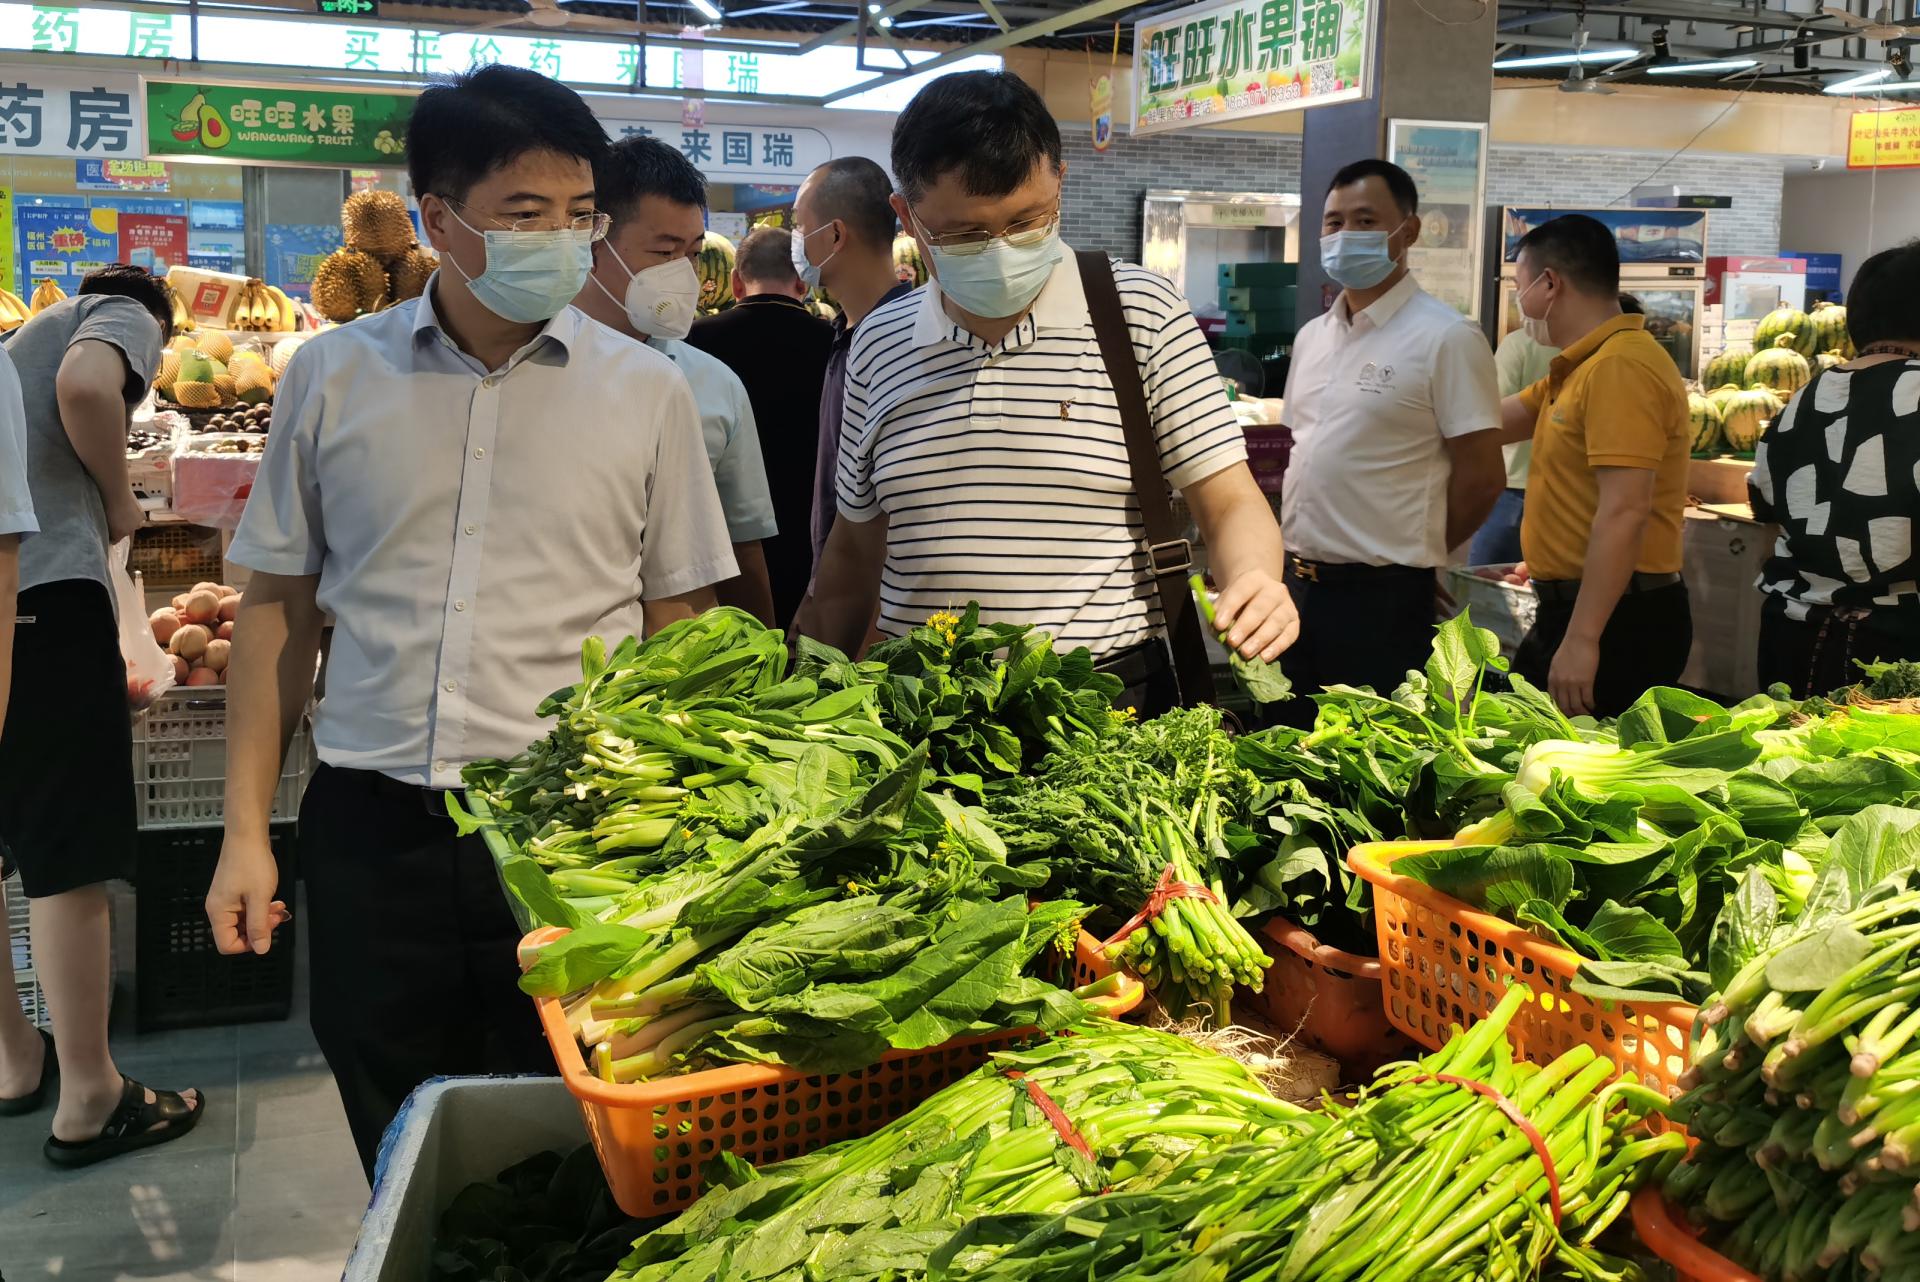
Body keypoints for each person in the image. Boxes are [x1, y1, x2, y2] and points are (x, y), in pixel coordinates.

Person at [204, 66, 737, 1178]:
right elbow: (277, 609)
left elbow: (681, 620)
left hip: (573, 834)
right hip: (371, 828)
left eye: (581, 214)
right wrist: (245, 830)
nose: (563, 239)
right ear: (439, 221)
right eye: (525, 214)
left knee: (576, 1130)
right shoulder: (333, 379)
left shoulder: (648, 394)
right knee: (394, 1117)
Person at [797, 71, 1296, 715]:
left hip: (1106, 709)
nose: (1001, 252)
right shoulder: (878, 344)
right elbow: (854, 551)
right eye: (966, 235)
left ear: (1058, 179)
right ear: (907, 217)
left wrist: (1255, 577)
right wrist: (797, 685)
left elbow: (1229, 503)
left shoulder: (1140, 313)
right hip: (922, 711)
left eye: (1028, 222)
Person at [0, 266, 204, 1165]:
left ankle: (13, 1061)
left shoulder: (14, 348)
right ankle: (90, 1093)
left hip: (19, 603)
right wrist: (120, 499)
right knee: (66, 852)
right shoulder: (118, 311)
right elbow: (89, 385)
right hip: (41, 602)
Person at [1278, 159, 1504, 713]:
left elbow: (1482, 475)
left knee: (1365, 762)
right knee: (1281, 746)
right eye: (1333, 223)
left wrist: (1419, 554)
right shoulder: (1312, 337)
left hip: (1380, 599)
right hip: (1294, 586)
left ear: (1409, 231)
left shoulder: (1447, 338)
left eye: (1364, 220)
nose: (1344, 235)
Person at [573, 137, 777, 625]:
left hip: (675, 669)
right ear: (591, 241)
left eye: (693, 252)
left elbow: (740, 550)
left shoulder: (715, 385)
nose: (683, 273)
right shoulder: (533, 369)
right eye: (664, 251)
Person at [1497, 214, 1692, 716]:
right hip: (1582, 606)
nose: (1520, 302)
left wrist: (1584, 638)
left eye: (1520, 287)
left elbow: (1626, 510)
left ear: (1550, 284)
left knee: (1578, 777)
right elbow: (1491, 423)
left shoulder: (1619, 368)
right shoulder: (1580, 365)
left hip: (1618, 620)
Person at [1751, 240, 1920, 696]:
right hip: (1901, 654)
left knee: (1797, 762)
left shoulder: (1800, 401)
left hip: (1793, 636)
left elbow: (1767, 521)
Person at [687, 224, 834, 627]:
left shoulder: (694, 342)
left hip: (724, 544)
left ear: (735, 282)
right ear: (803, 283)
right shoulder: (836, 344)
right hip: (817, 540)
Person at [778, 158, 914, 580]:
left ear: (834, 235)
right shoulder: (843, 333)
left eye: (800, 227)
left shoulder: (903, 344)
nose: (795, 241)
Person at [1470, 326, 1557, 567]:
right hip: (1571, 494)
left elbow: (1489, 418)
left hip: (1515, 488)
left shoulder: (1519, 343)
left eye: (1519, 286)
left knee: (1483, 586)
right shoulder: (1598, 351)